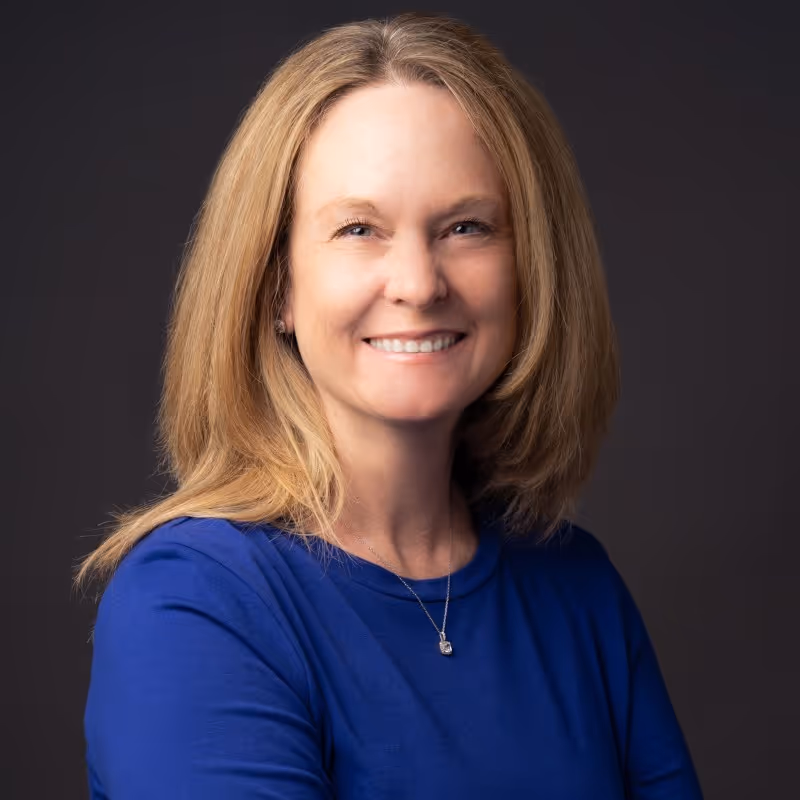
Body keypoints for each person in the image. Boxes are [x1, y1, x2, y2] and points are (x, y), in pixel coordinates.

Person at [75, 12, 704, 799]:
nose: (418, 282)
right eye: (359, 229)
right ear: (277, 288)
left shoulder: (578, 587)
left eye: (466, 226)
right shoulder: (194, 606)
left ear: (531, 268)